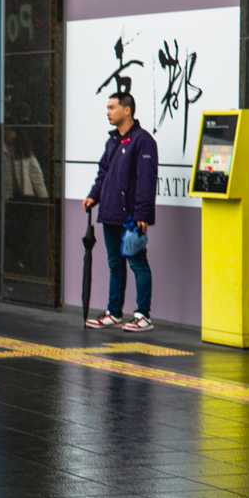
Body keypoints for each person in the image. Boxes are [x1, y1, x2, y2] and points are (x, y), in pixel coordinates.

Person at [83, 92, 158, 333]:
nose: (108, 112)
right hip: (109, 213)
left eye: (112, 107)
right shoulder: (113, 141)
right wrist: (94, 196)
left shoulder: (143, 141)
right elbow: (103, 172)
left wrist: (142, 214)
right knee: (115, 263)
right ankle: (114, 312)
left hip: (131, 217)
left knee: (137, 263)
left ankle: (143, 315)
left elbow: (147, 180)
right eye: (107, 107)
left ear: (127, 110)